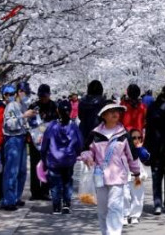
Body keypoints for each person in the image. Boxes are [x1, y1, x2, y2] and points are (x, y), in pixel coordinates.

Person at [80, 103, 141, 235]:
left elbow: (132, 155)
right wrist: (87, 157)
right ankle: (105, 232)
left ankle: (113, 233)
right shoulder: (95, 134)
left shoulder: (124, 134)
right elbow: (86, 150)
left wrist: (136, 172)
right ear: (103, 115)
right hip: (100, 176)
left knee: (115, 207)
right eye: (111, 111)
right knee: (102, 210)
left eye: (117, 111)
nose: (115, 114)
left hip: (118, 176)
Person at [41, 99, 83, 214]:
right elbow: (80, 143)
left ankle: (56, 206)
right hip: (68, 159)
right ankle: (66, 204)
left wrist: (43, 158)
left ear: (58, 111)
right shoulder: (73, 126)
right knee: (67, 182)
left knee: (55, 184)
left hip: (53, 160)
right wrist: (77, 154)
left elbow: (44, 144)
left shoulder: (52, 126)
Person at [1, 84, 38, 211]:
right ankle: (8, 200)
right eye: (26, 93)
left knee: (21, 170)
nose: (27, 96)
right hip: (13, 139)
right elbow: (10, 124)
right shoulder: (11, 106)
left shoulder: (22, 105)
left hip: (21, 138)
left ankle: (16, 197)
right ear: (20, 92)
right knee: (11, 170)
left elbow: (24, 122)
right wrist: (24, 116)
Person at [144, 84, 165, 215]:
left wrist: (147, 146)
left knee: (156, 176)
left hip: (154, 146)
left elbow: (148, 128)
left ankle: (157, 204)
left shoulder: (152, 106)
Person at [27, 84, 58, 200]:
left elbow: (58, 122)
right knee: (35, 165)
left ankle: (45, 191)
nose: (43, 98)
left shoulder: (54, 106)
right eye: (41, 96)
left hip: (49, 141)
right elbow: (29, 122)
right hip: (35, 140)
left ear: (49, 95)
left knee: (47, 165)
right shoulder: (33, 106)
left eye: (45, 96)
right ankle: (35, 192)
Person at [124, 129, 150, 225]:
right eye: (134, 138)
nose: (137, 140)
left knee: (137, 198)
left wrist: (139, 149)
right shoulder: (124, 149)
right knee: (125, 197)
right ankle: (124, 215)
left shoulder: (141, 150)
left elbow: (146, 158)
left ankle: (134, 216)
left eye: (139, 138)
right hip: (125, 177)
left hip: (138, 178)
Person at [79, 80, 109, 149]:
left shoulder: (82, 101)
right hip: (99, 131)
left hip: (84, 129)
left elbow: (80, 116)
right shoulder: (103, 102)